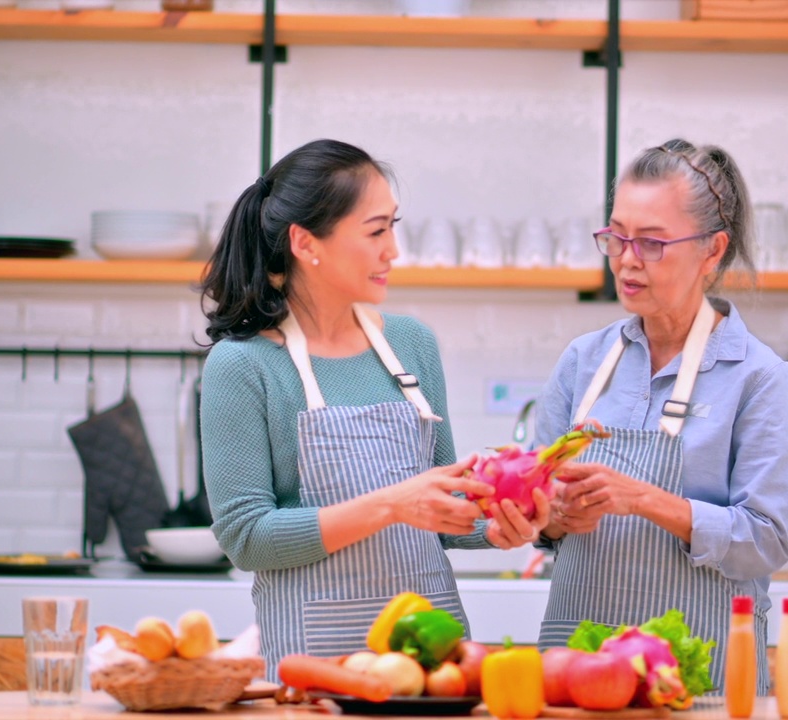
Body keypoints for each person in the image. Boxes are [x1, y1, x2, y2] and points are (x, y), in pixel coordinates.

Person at [198, 139, 548, 676]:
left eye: (394, 227)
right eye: (376, 231)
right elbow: (246, 538)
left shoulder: (411, 345)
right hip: (314, 670)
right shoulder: (242, 365)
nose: (394, 250)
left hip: (436, 666)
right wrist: (392, 504)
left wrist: (503, 522)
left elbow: (444, 511)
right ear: (305, 243)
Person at [533, 139, 788, 695]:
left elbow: (767, 539)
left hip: (701, 677)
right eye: (617, 236)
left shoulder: (759, 376)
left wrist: (645, 500)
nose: (627, 259)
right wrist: (556, 514)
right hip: (576, 673)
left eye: (653, 243)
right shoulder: (583, 362)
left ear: (712, 250)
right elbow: (539, 516)